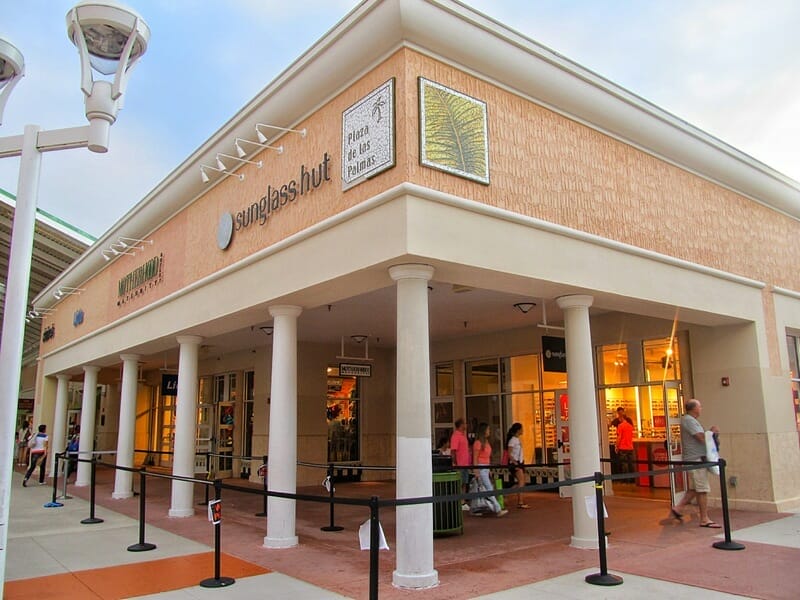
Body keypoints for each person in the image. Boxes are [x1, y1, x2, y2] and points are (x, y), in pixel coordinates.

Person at [669, 399, 721, 528]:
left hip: (696, 459)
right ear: (694, 408)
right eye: (700, 406)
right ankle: (704, 519)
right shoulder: (689, 420)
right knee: (702, 489)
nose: (701, 408)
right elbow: (701, 437)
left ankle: (678, 508)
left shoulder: (691, 420)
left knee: (694, 488)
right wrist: (712, 433)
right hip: (695, 460)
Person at [472, 422, 507, 517]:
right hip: (481, 467)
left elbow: (487, 457)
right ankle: (497, 508)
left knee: (484, 489)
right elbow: (475, 457)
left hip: (486, 467)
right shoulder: (478, 443)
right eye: (488, 429)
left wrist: (489, 469)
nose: (489, 431)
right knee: (489, 488)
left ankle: (477, 508)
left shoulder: (486, 442)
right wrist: (476, 470)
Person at [505, 422, 529, 509]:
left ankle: (507, 493)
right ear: (518, 430)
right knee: (521, 481)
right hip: (515, 463)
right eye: (521, 429)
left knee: (521, 481)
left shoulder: (517, 439)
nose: (523, 430)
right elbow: (509, 453)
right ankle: (520, 501)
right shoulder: (512, 440)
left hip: (520, 462)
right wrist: (514, 462)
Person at [450, 418, 471, 511]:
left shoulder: (463, 436)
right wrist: (455, 462)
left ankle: (463, 501)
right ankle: (460, 501)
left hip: (465, 463)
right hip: (460, 464)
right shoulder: (456, 436)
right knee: (460, 482)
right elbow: (453, 451)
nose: (466, 425)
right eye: (465, 423)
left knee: (465, 482)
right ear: (461, 425)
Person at [615, 414, 635, 480]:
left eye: (619, 418)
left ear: (621, 418)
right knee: (631, 463)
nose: (618, 419)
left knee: (624, 463)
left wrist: (616, 446)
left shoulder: (620, 426)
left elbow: (619, 437)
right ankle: (632, 478)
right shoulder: (630, 426)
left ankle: (626, 479)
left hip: (623, 447)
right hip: (630, 446)